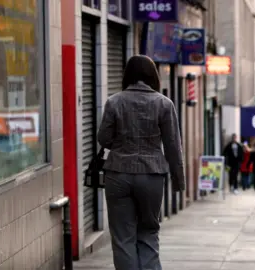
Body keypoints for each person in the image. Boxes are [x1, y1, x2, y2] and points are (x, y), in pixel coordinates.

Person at [97, 55, 185, 270]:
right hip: (152, 175)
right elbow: (173, 146)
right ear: (153, 76)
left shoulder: (114, 102)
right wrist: (179, 181)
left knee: (123, 237)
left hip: (118, 174)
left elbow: (103, 138)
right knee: (148, 231)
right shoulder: (164, 104)